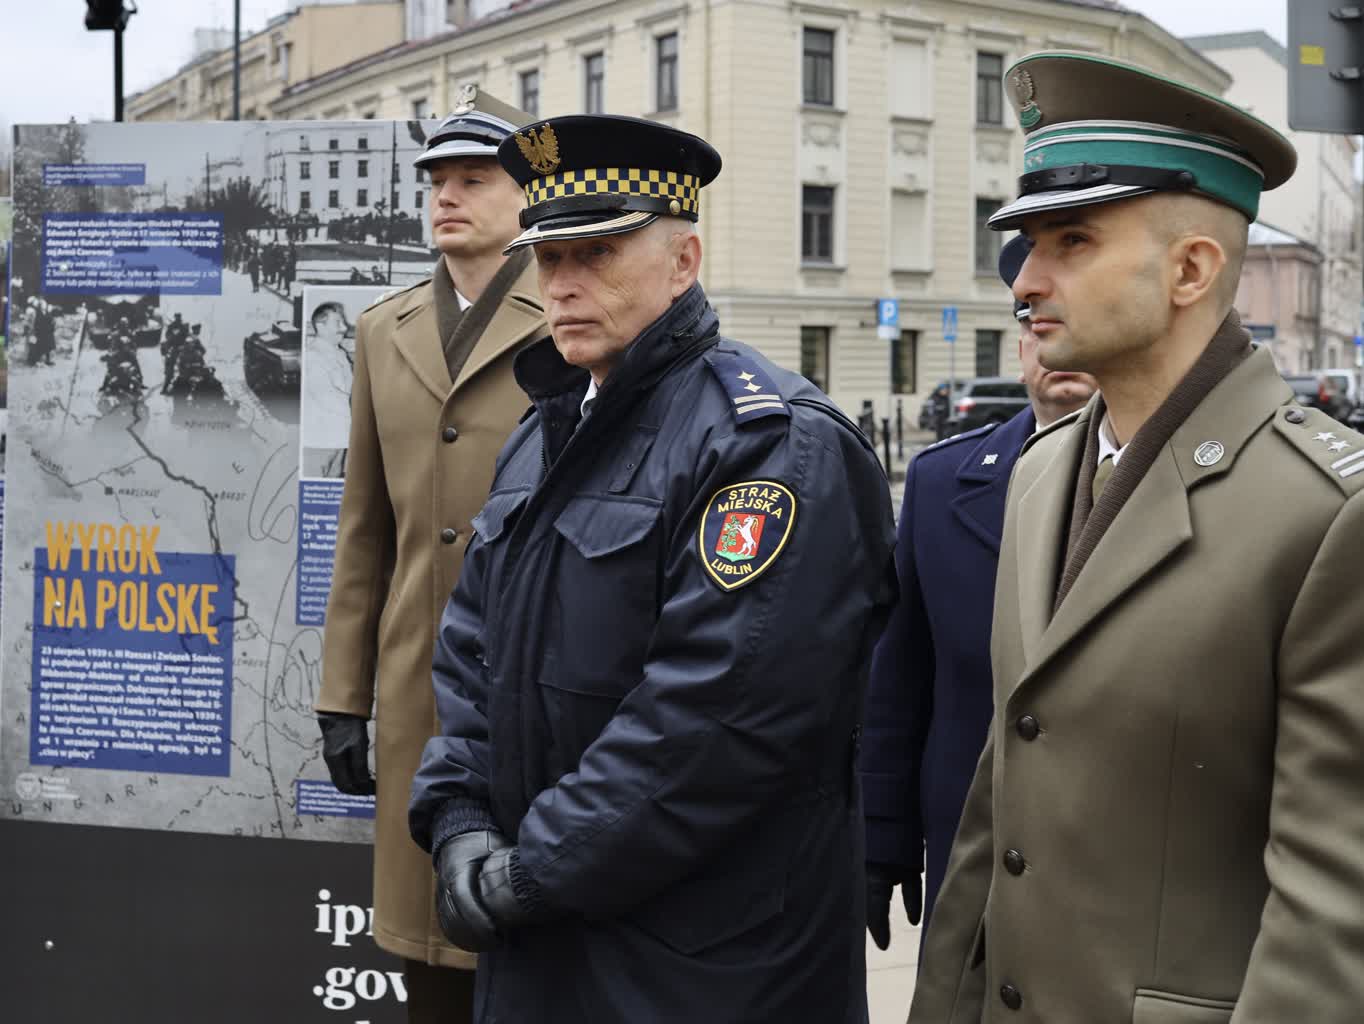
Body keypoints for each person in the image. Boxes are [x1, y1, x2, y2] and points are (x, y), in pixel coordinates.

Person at [408, 113, 896, 1023]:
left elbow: (719, 720)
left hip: (702, 963)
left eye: (597, 253)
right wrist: (460, 817)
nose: (563, 283)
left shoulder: (770, 444)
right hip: (546, 939)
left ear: (684, 262)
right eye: (549, 258)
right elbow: (473, 654)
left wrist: (531, 869)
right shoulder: (545, 429)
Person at [911, 52, 1364, 1022]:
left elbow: (1332, 914)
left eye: (1071, 241)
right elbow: (998, 801)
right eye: (1027, 243)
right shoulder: (1040, 475)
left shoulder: (1328, 513)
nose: (1025, 281)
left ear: (1191, 269)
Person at [313, 89, 548, 1024]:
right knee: (428, 961)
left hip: (534, 682)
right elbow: (364, 526)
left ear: (528, 195)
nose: (446, 196)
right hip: (417, 691)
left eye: (473, 179)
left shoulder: (569, 313)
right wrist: (344, 696)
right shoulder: (386, 328)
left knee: (528, 937)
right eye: (437, 180)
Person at [860, 234, 1096, 950]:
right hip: (971, 851)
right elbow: (900, 677)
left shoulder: (1158, 479)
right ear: (1019, 345)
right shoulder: (942, 483)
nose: (1053, 346)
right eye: (1034, 325)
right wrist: (883, 835)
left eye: (1073, 321)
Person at [302, 301, 356, 450]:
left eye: (343, 323)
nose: (344, 328)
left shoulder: (339, 353)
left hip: (342, 435)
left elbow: (351, 387)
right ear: (321, 327)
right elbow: (328, 397)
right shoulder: (312, 356)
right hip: (322, 442)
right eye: (338, 323)